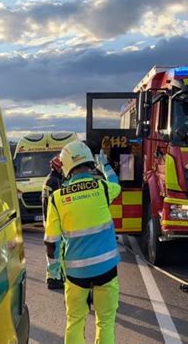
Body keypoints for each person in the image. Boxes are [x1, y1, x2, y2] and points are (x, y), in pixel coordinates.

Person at [44, 141, 122, 344]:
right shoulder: (104, 188)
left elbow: (51, 243)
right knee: (105, 321)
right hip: (106, 269)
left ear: (67, 166)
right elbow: (117, 185)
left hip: (76, 272)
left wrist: (53, 271)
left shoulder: (57, 198)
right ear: (90, 161)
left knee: (75, 321)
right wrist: (104, 164)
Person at [41, 155, 65, 290]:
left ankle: (53, 276)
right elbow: (59, 203)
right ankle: (54, 278)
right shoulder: (55, 181)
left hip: (48, 219)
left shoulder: (48, 180)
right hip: (54, 221)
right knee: (56, 251)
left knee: (52, 251)